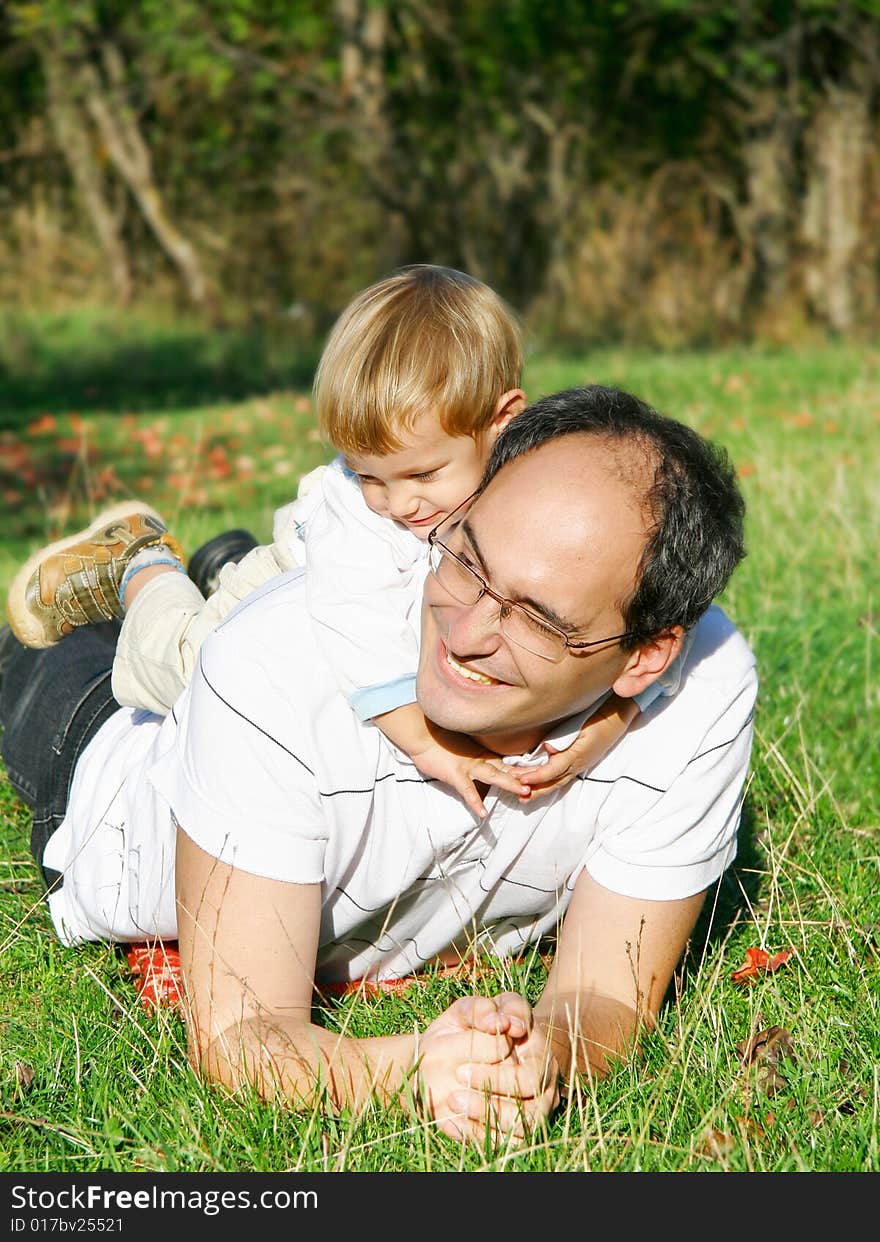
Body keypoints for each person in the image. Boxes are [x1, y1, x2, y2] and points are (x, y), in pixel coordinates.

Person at [0, 384, 757, 1142]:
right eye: (466, 559)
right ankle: (159, 571)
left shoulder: (704, 683)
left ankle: (228, 566)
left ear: (649, 656)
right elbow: (241, 1033)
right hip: (103, 767)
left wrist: (542, 1055)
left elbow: (608, 996)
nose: (464, 632)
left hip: (253, 702)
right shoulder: (271, 665)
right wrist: (418, 1070)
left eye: (534, 619)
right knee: (44, 651)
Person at [5, 265, 682, 819]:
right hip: (299, 575)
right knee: (181, 666)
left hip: (312, 564)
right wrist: (427, 747)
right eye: (367, 475)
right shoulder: (359, 522)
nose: (395, 502)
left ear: (502, 420)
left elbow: (636, 593)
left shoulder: (536, 468)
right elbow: (356, 625)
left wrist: (608, 723)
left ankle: (221, 559)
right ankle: (140, 560)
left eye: (422, 473)